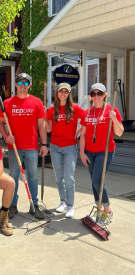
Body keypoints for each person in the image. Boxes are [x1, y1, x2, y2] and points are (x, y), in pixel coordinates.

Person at [0, 72, 48, 220]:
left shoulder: (36, 102)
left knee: (32, 177)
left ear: (29, 85)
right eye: (20, 82)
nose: (23, 86)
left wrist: (44, 144)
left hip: (31, 147)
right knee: (13, 177)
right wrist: (6, 136)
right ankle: (12, 205)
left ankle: (34, 205)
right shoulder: (7, 103)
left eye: (26, 83)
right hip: (14, 148)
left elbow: (41, 125)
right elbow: (0, 122)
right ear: (15, 84)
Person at [80, 83, 124, 225]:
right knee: (94, 181)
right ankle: (98, 208)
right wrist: (81, 152)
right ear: (90, 96)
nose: (97, 96)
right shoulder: (87, 113)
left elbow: (119, 132)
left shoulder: (112, 110)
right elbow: (83, 134)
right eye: (94, 94)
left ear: (105, 95)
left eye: (100, 94)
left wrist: (114, 119)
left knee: (97, 181)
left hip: (105, 151)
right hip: (89, 152)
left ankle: (107, 209)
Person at [45, 83, 84, 218]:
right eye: (61, 91)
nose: (63, 94)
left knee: (69, 177)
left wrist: (80, 130)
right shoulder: (51, 109)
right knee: (59, 177)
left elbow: (87, 119)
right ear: (57, 93)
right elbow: (49, 129)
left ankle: (70, 205)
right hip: (55, 146)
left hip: (70, 147)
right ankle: (63, 201)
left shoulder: (75, 108)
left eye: (66, 92)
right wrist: (45, 117)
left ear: (69, 94)